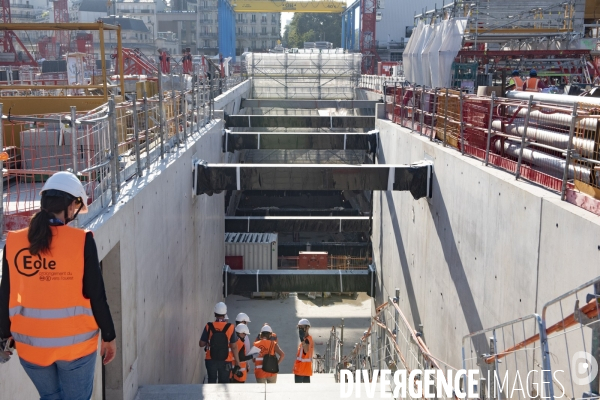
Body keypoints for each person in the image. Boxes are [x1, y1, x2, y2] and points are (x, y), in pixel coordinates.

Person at [0, 171, 117, 400]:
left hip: (30, 346)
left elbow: (6, 294)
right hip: (76, 347)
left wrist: (4, 335)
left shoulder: (13, 242)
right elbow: (96, 294)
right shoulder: (82, 241)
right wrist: (109, 336)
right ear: (71, 205)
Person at [199, 302, 240, 383]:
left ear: (214, 313)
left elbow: (201, 344)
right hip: (226, 360)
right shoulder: (231, 327)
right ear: (225, 314)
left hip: (210, 359)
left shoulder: (209, 326)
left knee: (211, 380)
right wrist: (237, 362)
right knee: (224, 382)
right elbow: (234, 347)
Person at [293, 318, 314, 383]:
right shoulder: (309, 338)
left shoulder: (306, 340)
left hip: (300, 370)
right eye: (299, 328)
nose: (300, 330)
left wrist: (302, 340)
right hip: (306, 370)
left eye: (302, 328)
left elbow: (306, 350)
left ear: (307, 328)